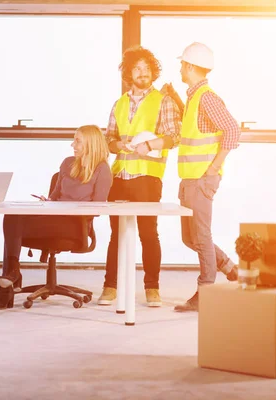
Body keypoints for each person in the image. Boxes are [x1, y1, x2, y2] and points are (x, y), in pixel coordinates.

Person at [0, 125, 112, 310]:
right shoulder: (68, 163)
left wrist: (69, 209)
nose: (72, 144)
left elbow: (97, 208)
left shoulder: (102, 170)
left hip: (74, 225)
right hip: (53, 218)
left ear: (91, 144)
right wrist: (47, 202)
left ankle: (8, 286)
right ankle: (12, 271)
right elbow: (54, 196)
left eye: (78, 141)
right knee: (12, 216)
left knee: (14, 227)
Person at [99, 46, 182, 308]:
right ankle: (110, 286)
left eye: (147, 68)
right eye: (137, 68)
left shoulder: (163, 101)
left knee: (148, 233)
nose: (142, 73)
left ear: (153, 72)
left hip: (147, 176)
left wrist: (151, 145)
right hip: (119, 176)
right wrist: (118, 144)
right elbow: (108, 140)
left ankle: (152, 288)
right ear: (129, 72)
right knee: (117, 235)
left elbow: (174, 136)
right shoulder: (119, 104)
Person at [166, 42, 240, 312]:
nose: (179, 69)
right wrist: (175, 97)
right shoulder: (194, 98)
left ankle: (205, 292)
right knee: (192, 239)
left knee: (201, 236)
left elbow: (232, 131)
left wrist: (212, 169)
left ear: (188, 66)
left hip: (200, 180)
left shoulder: (207, 97)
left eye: (181, 65)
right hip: (189, 180)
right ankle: (231, 269)